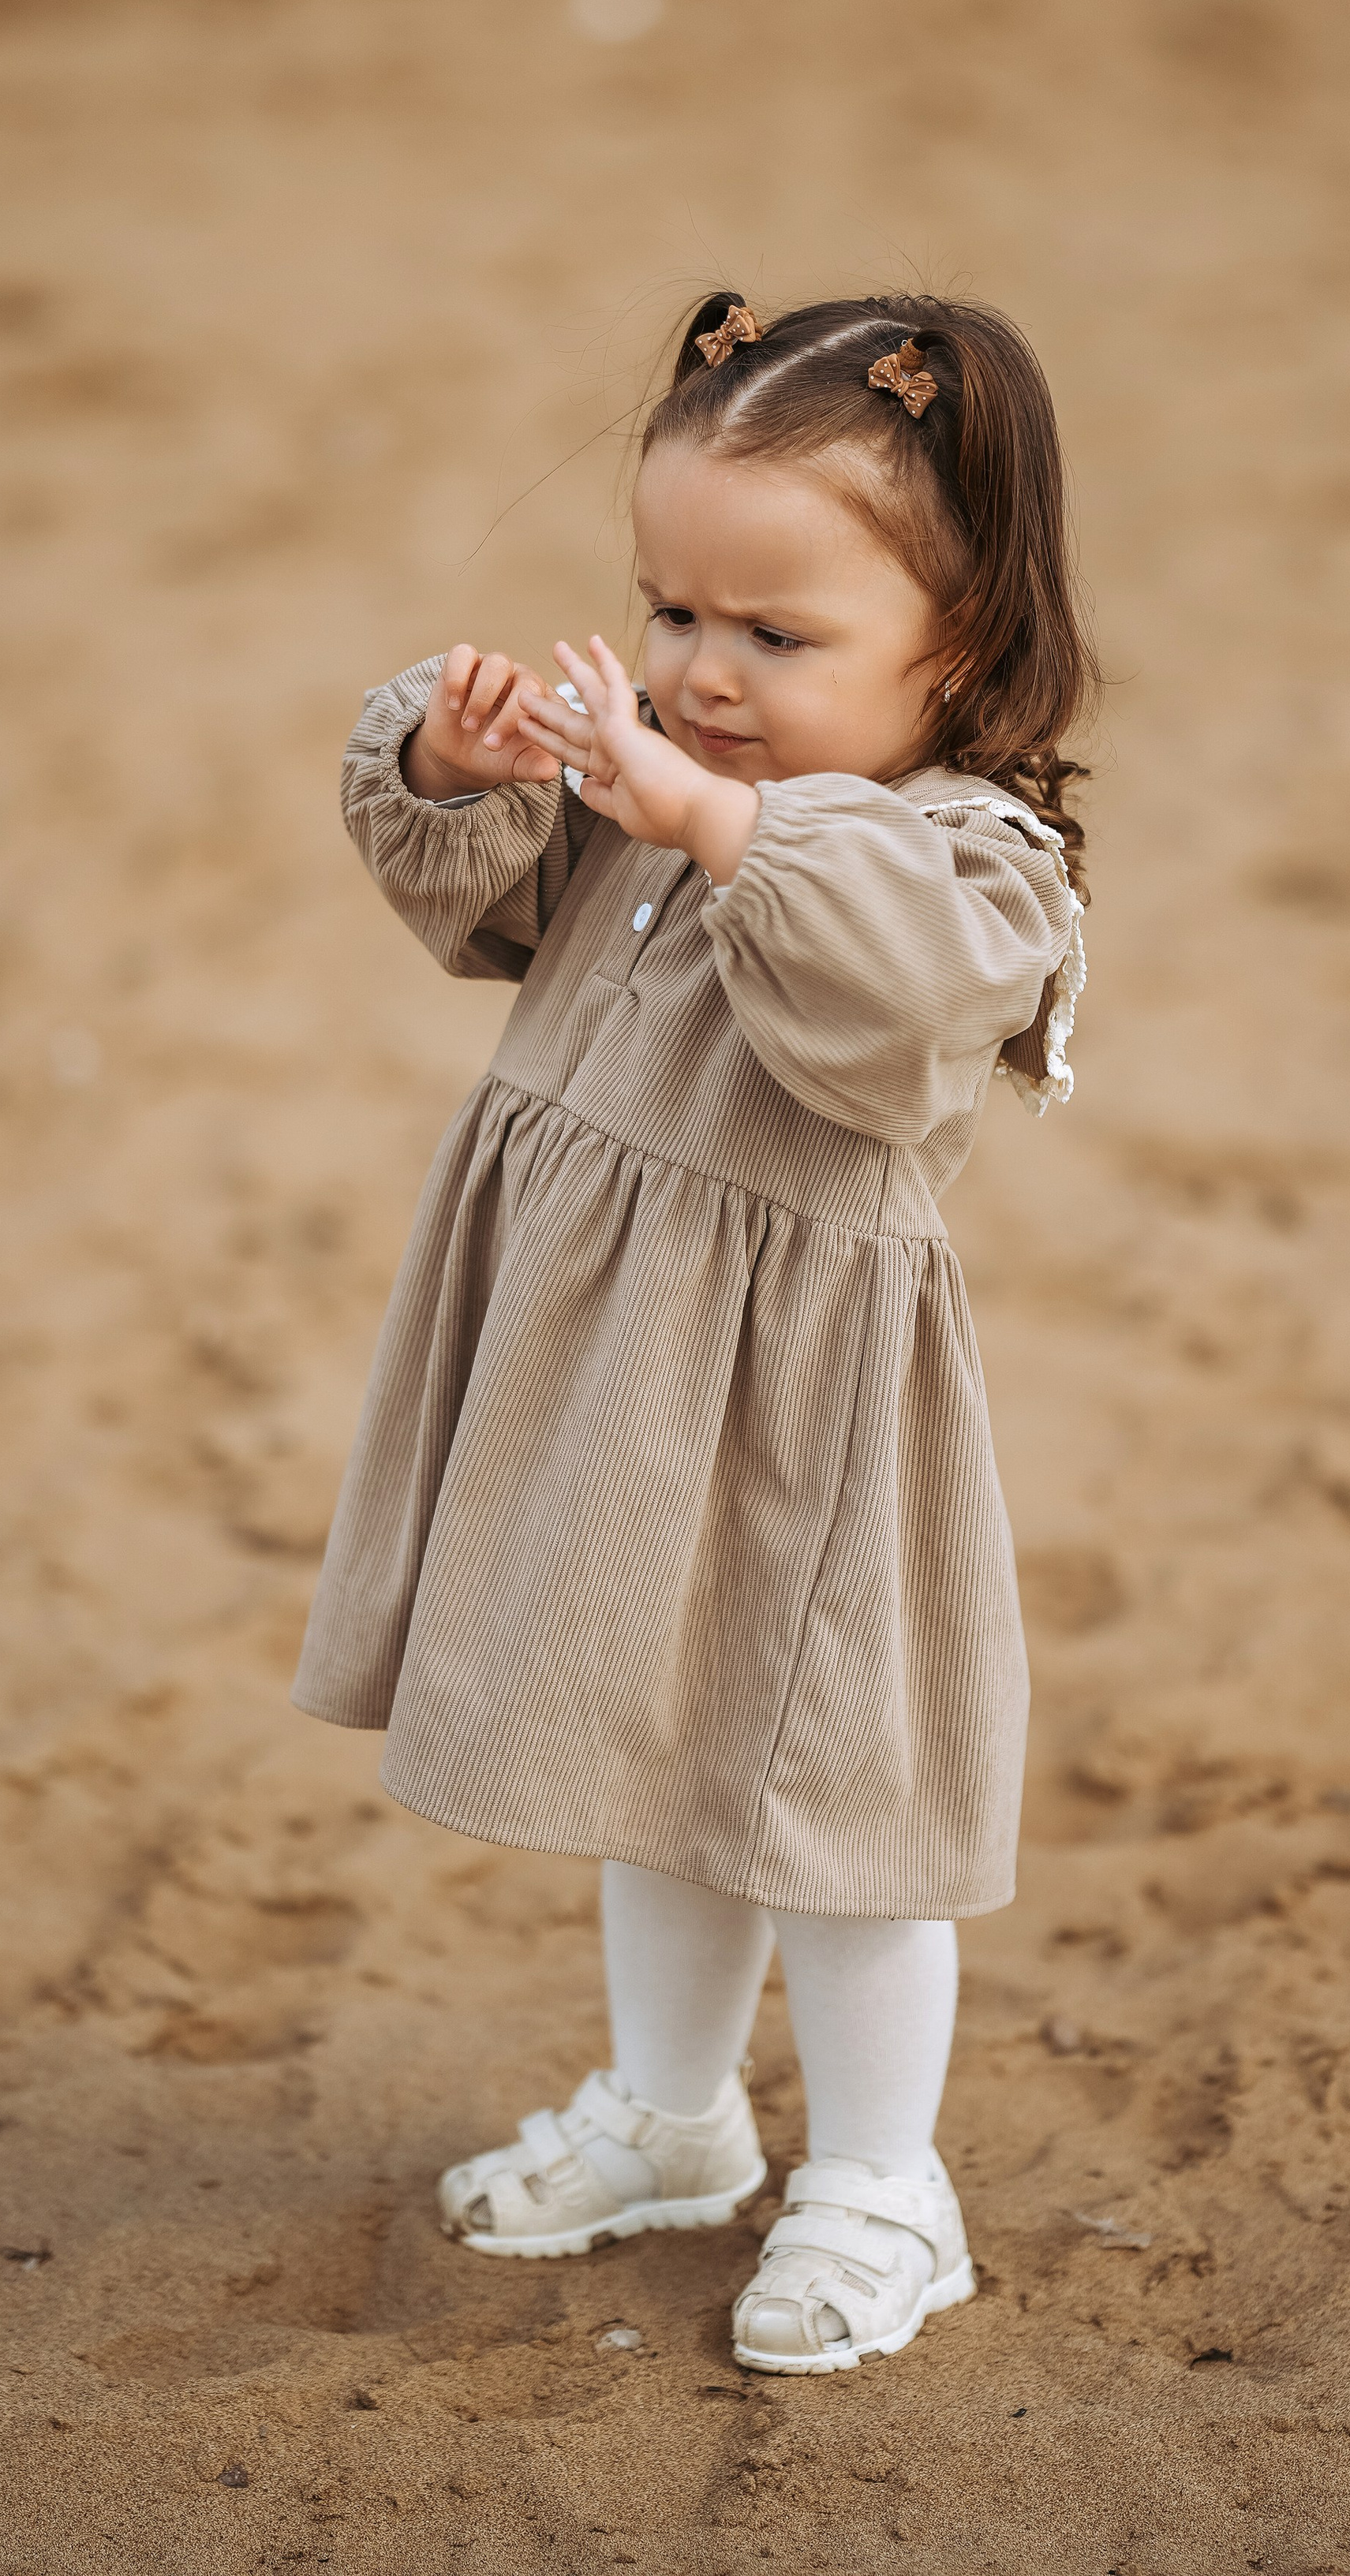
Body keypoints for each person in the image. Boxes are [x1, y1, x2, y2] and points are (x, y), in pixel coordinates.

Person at [292, 289, 1097, 2373]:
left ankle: (886, 2185)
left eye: (778, 634)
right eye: (671, 610)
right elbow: (471, 900)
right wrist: (460, 762)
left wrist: (714, 821)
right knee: (652, 1752)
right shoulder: (636, 806)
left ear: (963, 651)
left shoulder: (964, 859)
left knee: (829, 1798)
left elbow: (895, 998)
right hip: (612, 1379)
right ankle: (672, 2114)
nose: (702, 676)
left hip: (802, 1415)